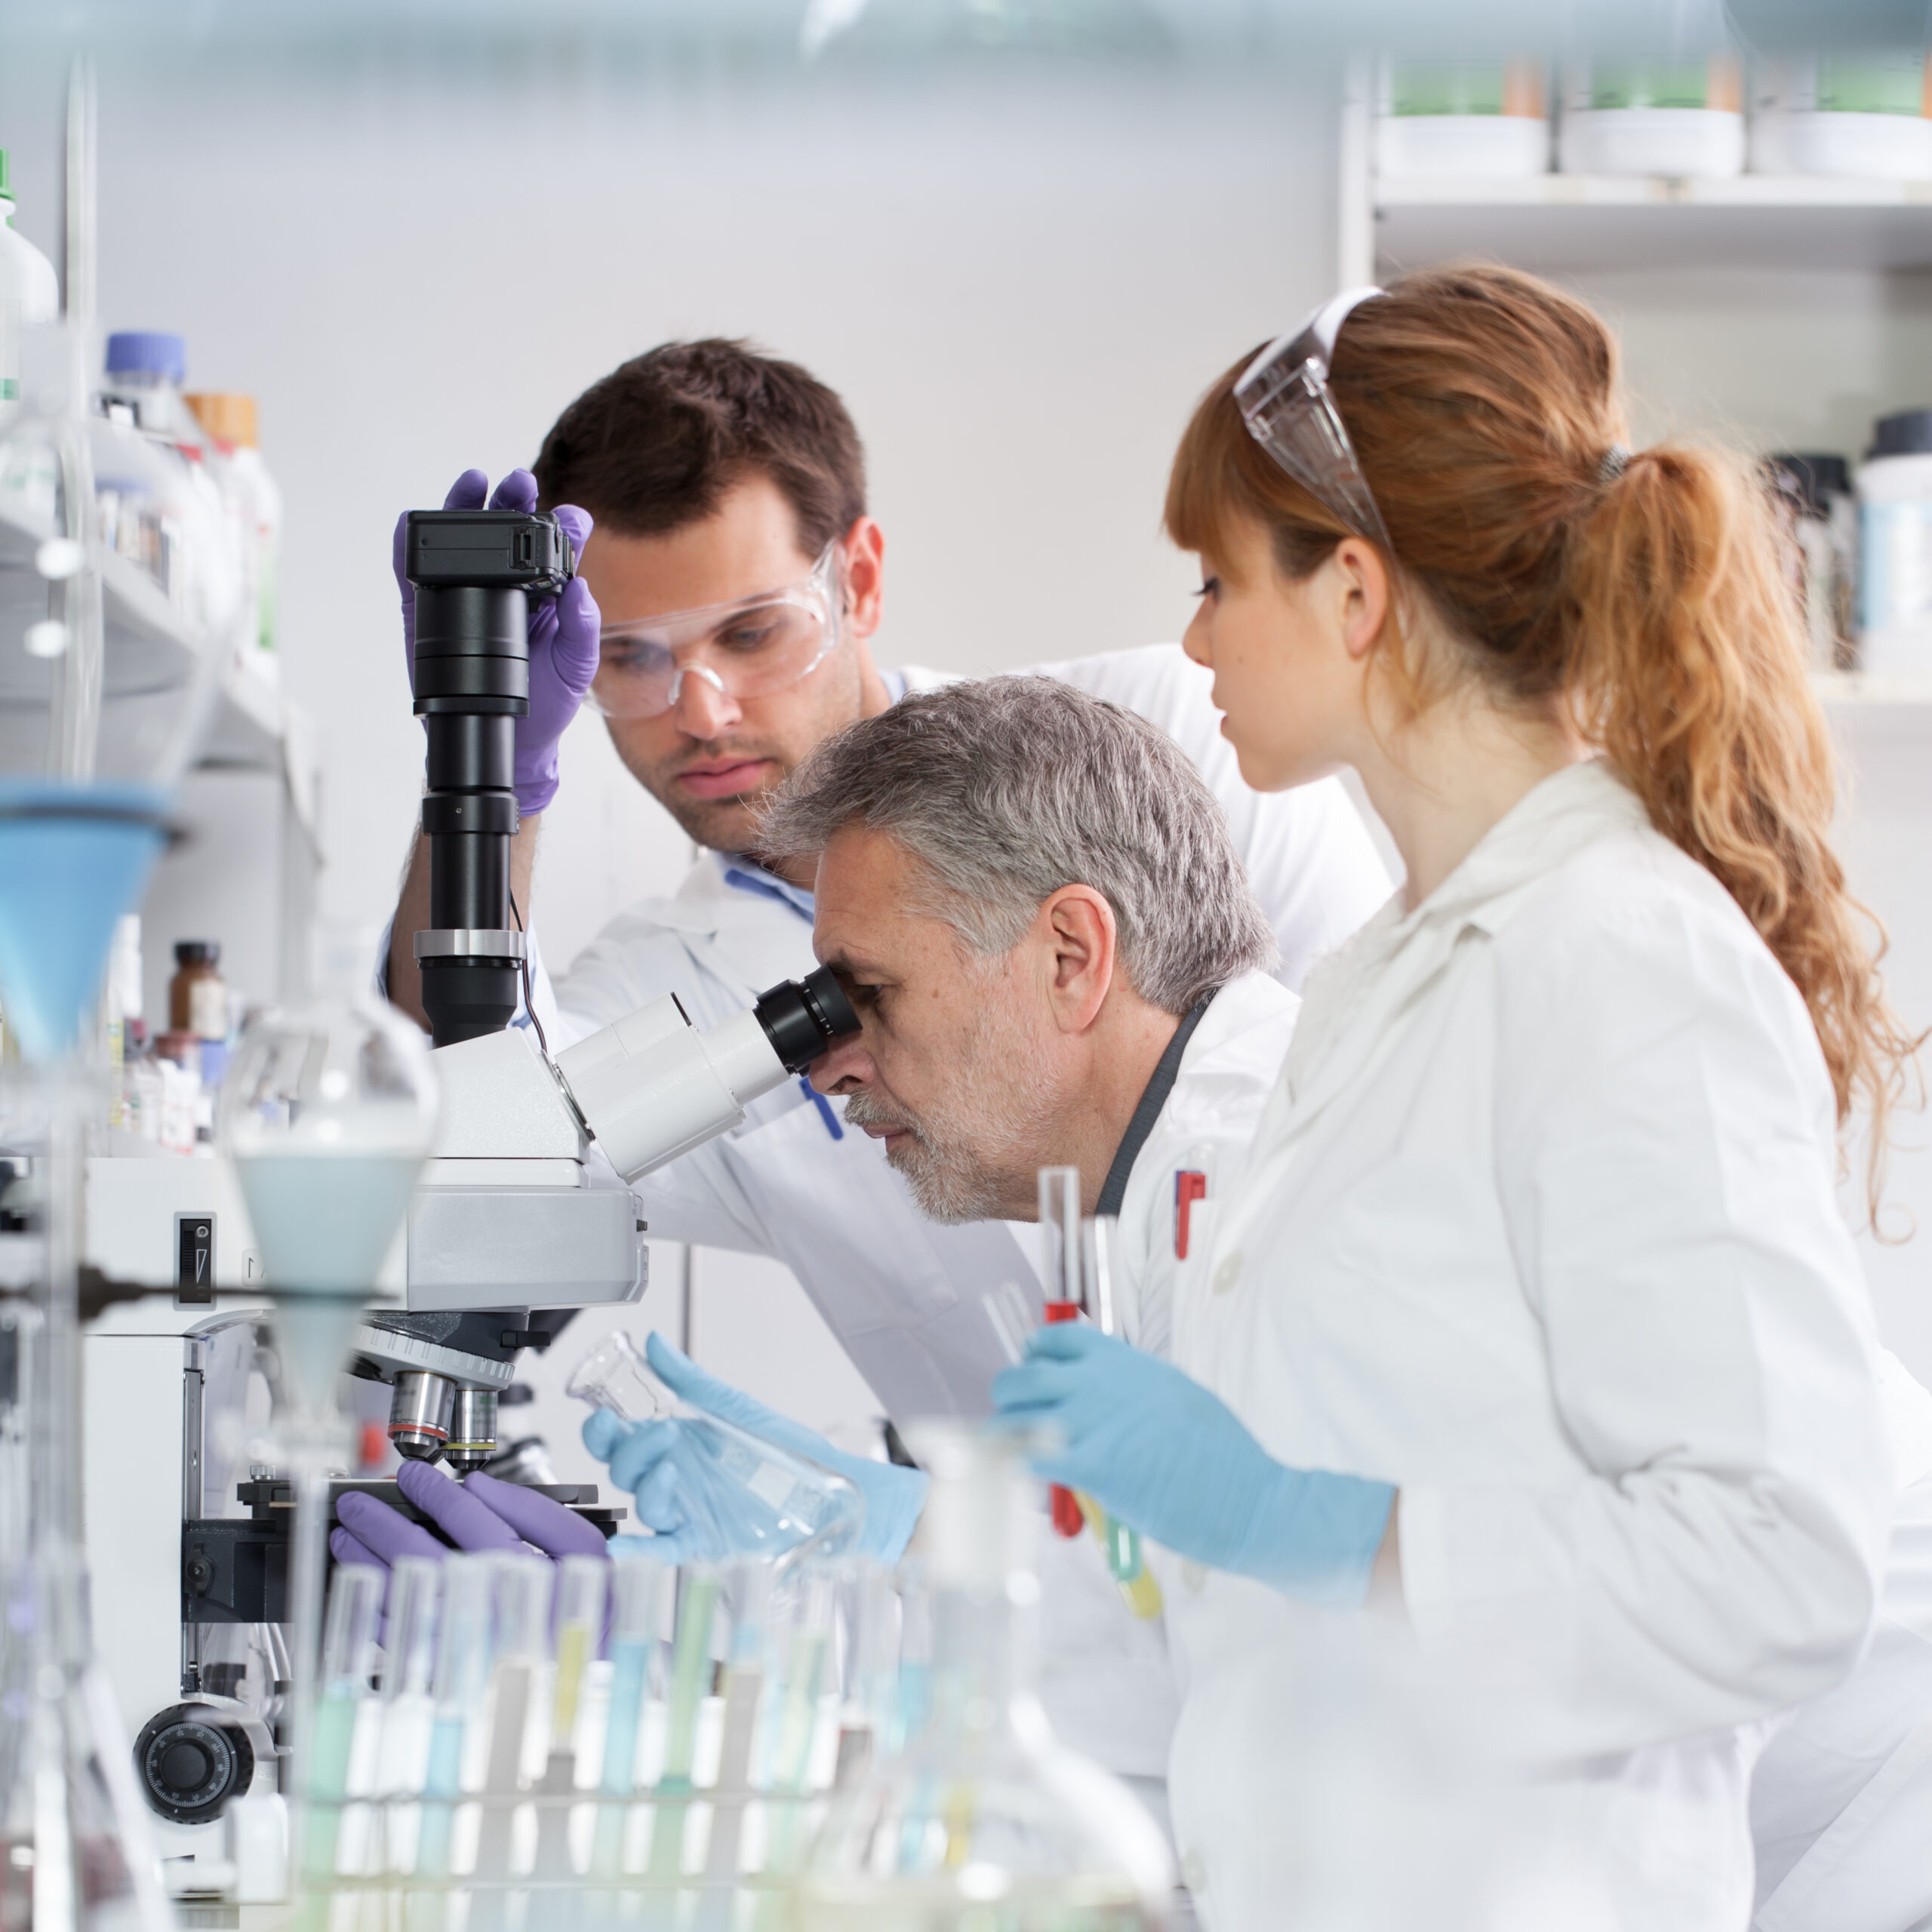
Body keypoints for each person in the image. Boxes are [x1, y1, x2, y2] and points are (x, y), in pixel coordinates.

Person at [982, 266, 1909, 1928]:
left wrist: (1311, 1523)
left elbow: (1778, 1563)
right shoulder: (1387, 975)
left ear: (1352, 590)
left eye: (1215, 578)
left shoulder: (1620, 959)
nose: (1189, 635)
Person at [380, 340, 1389, 1429]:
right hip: (1041, 1556)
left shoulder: (1163, 742)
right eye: (630, 659)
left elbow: (1373, 1096)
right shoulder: (671, 978)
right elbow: (485, 1120)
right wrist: (483, 771)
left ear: (856, 578)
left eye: (754, 632)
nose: (702, 709)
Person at [581, 671, 1300, 1807]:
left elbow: (1228, 1683)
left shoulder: (1265, 1208)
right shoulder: (1146, 1193)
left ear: (1070, 955)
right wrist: (890, 1545)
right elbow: (1152, 1592)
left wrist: (896, 1553)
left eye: (869, 995)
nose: (830, 1062)